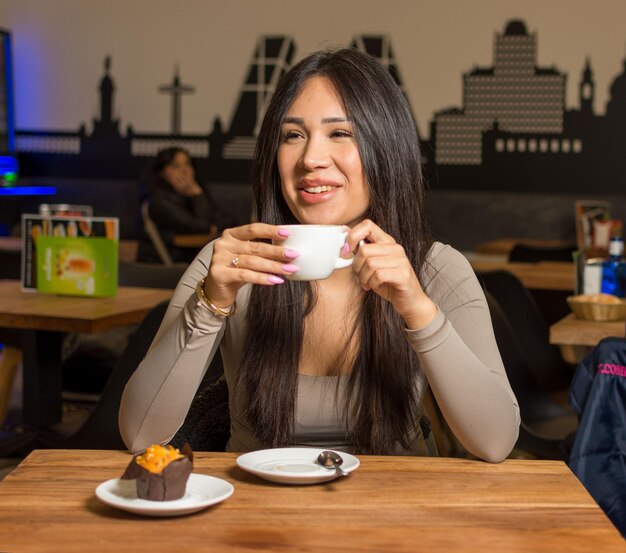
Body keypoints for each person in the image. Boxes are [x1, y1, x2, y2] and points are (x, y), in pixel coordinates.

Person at [120, 48, 520, 462]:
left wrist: (417, 309)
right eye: (293, 135)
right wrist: (209, 305)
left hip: (397, 513)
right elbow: (139, 433)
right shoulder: (228, 266)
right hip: (255, 513)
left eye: (340, 134)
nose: (310, 159)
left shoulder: (436, 269)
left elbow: (495, 442)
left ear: (386, 149)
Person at [136, 147, 225, 263]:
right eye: (175, 166)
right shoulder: (158, 201)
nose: (184, 171)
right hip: (162, 269)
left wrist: (196, 196)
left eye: (187, 164)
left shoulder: (195, 194)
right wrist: (196, 193)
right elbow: (202, 228)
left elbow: (227, 220)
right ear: (161, 172)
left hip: (190, 263)